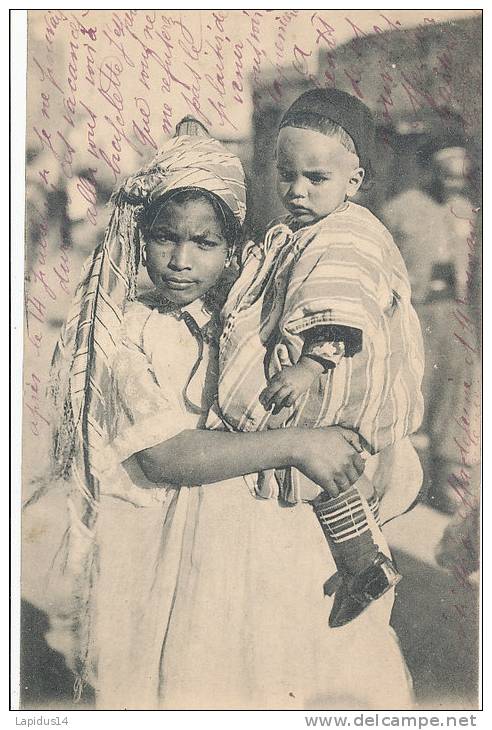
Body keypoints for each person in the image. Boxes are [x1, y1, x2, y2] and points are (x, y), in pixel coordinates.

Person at [45, 117, 414, 710]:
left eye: (205, 243)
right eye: (165, 238)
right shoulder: (122, 335)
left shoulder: (247, 318)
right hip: (169, 555)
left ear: (232, 247)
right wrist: (300, 445)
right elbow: (167, 455)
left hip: (268, 547)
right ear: (141, 239)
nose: (181, 260)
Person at [207, 89, 425, 627]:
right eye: (286, 174)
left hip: (329, 376)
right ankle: (362, 563)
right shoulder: (310, 227)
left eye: (315, 178)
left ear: (354, 181)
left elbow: (338, 304)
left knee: (319, 460)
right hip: (324, 378)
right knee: (332, 479)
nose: (296, 190)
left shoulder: (345, 235)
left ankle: (360, 560)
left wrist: (309, 366)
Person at [382, 137, 480, 515]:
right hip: (413, 313)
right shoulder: (398, 210)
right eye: (445, 175)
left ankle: (446, 486)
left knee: (458, 397)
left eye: (458, 178)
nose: (452, 184)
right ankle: (401, 483)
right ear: (430, 172)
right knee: (409, 391)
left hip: (455, 313)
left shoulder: (467, 212)